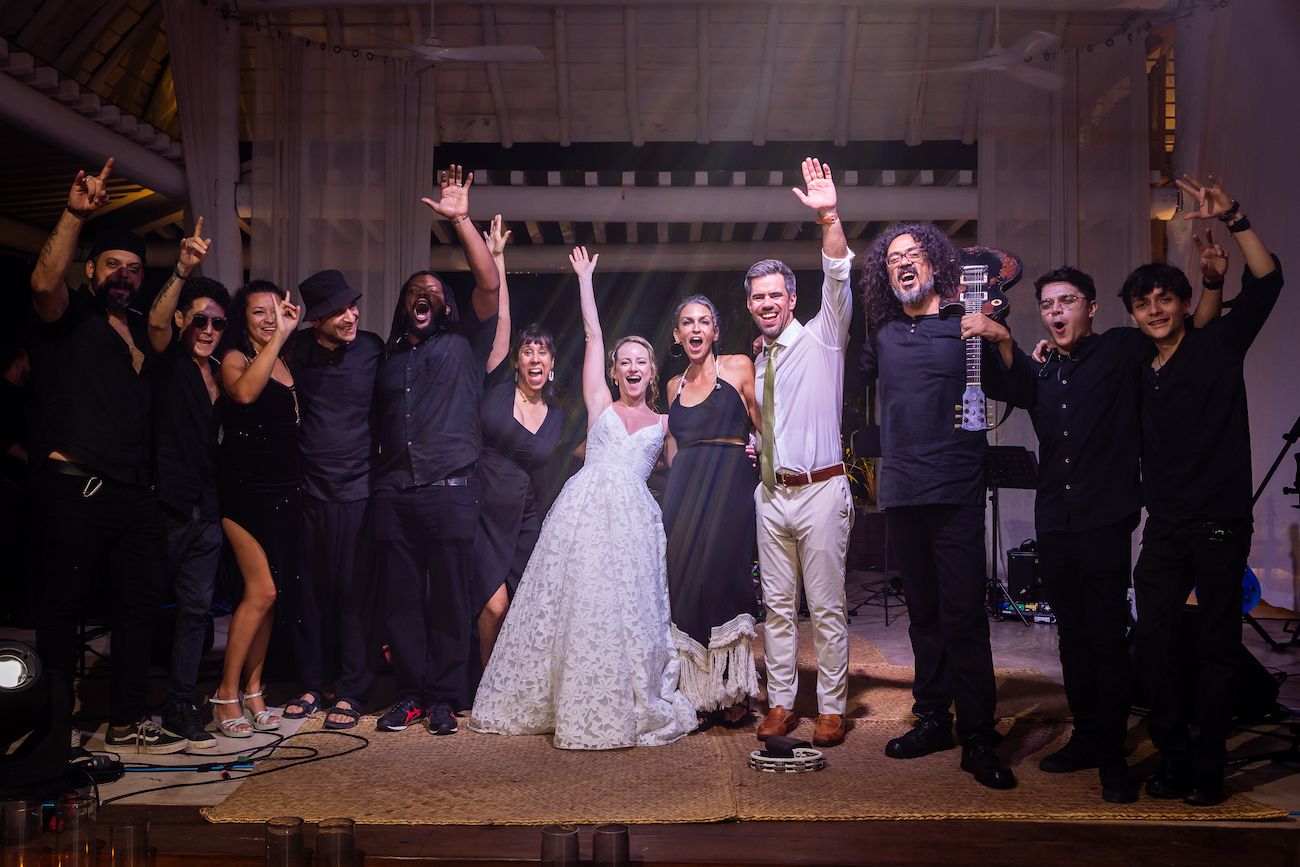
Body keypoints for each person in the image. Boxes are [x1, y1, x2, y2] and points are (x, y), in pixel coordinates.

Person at [972, 251, 1224, 802]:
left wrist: (1210, 283)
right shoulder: (1041, 372)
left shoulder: (1121, 348)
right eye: (1047, 305)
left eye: (1066, 302)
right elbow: (1000, 384)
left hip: (1106, 521)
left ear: (1089, 306)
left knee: (1108, 641)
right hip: (1054, 524)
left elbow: (1191, 328)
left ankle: (1113, 758)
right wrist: (1002, 338)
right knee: (1073, 640)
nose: (1056, 312)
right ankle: (1086, 737)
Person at [469, 246, 698, 750]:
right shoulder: (600, 404)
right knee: (579, 605)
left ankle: (625, 692)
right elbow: (593, 333)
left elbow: (687, 468)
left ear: (651, 373)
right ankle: (564, 695)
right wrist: (585, 281)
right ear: (614, 372)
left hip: (636, 520)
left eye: (642, 361)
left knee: (626, 609)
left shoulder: (665, 424)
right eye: (625, 362)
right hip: (585, 512)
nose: (632, 367)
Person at [28, 158, 206, 753]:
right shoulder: (69, 315)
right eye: (113, 267)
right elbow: (42, 284)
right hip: (74, 483)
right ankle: (51, 725)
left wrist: (179, 271)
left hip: (132, 492)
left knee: (137, 608)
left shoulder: (136, 327)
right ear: (91, 270)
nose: (124, 277)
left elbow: (159, 326)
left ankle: (128, 719)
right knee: (63, 607)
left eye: (133, 269)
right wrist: (75, 214)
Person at [1123, 175, 1282, 807]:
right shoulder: (1137, 363)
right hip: (1162, 525)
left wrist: (1236, 219)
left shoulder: (1218, 346)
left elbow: (1267, 283)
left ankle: (1209, 764)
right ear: (1134, 313)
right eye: (1144, 303)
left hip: (1218, 521)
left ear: (1183, 304)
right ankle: (1174, 754)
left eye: (1165, 299)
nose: (1154, 309)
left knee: (1218, 645)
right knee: (1153, 640)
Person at [857, 222, 1015, 788]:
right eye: (893, 258)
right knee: (922, 614)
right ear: (886, 273)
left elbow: (1011, 388)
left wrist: (998, 336)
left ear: (933, 266)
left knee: (964, 616)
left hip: (956, 488)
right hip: (902, 489)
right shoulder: (881, 336)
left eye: (912, 255)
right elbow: (838, 374)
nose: (902, 263)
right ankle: (932, 719)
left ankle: (978, 735)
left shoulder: (966, 327)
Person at [372, 166, 501, 736]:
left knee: (450, 597)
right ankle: (413, 694)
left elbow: (490, 285)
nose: (423, 296)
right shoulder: (389, 357)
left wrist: (460, 220)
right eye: (413, 292)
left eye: (434, 291)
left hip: (451, 489)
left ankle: (448, 695)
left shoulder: (463, 343)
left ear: (446, 306)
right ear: (405, 306)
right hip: (395, 491)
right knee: (400, 600)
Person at [748, 158, 854, 750]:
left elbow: (838, 271)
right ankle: (782, 703)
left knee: (828, 607)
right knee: (778, 609)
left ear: (792, 297)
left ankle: (833, 708)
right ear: (751, 306)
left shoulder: (822, 335)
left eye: (775, 294)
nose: (767, 303)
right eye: (758, 297)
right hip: (772, 495)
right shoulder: (760, 360)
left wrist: (828, 215)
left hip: (819, 491)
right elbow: (778, 420)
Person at [283, 269, 385, 730]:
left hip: (359, 489)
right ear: (316, 319)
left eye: (352, 306)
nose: (352, 315)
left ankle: (351, 690)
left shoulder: (371, 348)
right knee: (311, 595)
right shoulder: (296, 351)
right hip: (311, 491)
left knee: (353, 595)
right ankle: (310, 683)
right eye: (340, 311)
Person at [663, 294, 762, 725]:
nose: (696, 329)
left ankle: (732, 688)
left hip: (729, 485)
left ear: (715, 332)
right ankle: (700, 693)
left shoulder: (738, 366)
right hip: (683, 492)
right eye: (688, 322)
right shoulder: (673, 386)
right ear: (678, 334)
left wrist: (760, 451)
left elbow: (767, 424)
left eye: (704, 321)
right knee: (687, 585)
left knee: (724, 578)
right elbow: (670, 456)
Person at [472, 216, 567, 667]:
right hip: (479, 509)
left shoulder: (559, 417)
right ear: (516, 361)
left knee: (522, 610)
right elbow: (503, 319)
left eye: (543, 351)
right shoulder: (497, 388)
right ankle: (484, 685)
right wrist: (498, 259)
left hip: (523, 518)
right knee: (494, 606)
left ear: (551, 365)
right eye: (528, 350)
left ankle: (511, 684)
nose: (534, 356)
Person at [211, 280, 301, 737]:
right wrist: (280, 336)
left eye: (275, 311)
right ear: (243, 322)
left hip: (285, 490)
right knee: (260, 592)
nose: (270, 319)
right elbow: (244, 394)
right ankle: (225, 693)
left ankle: (254, 691)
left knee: (271, 599)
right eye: (259, 313)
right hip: (244, 491)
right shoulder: (235, 359)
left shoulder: (284, 361)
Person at [154, 276, 231, 749]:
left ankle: (179, 708)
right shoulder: (167, 363)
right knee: (141, 607)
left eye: (217, 323)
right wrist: (181, 269)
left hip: (208, 506)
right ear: (182, 320)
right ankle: (127, 710)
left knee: (196, 613)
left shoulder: (221, 371)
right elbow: (158, 324)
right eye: (199, 319)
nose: (208, 329)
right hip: (167, 504)